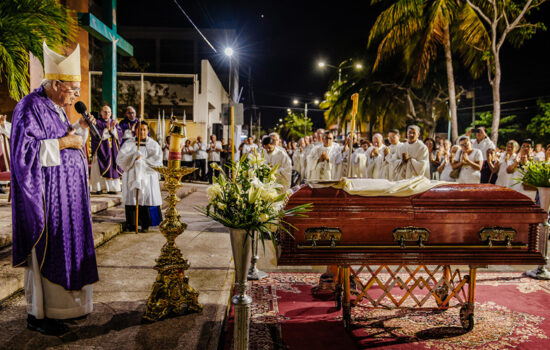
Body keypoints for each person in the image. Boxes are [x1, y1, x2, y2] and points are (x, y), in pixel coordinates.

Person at [11, 42, 97, 335]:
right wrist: (64, 143)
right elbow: (24, 153)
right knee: (47, 251)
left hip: (69, 198)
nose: (77, 94)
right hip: (46, 198)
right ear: (56, 83)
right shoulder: (29, 107)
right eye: (72, 87)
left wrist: (76, 136)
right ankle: (39, 316)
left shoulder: (59, 109)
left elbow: (66, 143)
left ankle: (67, 309)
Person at [117, 121, 163, 232]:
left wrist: (142, 161)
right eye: (139, 129)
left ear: (147, 131)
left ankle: (145, 224)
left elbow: (157, 160)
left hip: (147, 175)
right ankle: (132, 224)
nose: (141, 131)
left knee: (146, 198)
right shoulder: (129, 143)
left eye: (144, 129)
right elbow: (120, 159)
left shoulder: (153, 144)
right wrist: (134, 157)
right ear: (135, 130)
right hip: (132, 175)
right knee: (132, 198)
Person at [90, 105, 122, 194]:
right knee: (98, 167)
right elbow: (96, 135)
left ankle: (112, 188)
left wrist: (113, 129)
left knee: (113, 167)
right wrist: (108, 130)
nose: (107, 114)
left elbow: (119, 134)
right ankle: (98, 188)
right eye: (105, 112)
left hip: (112, 151)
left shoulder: (114, 122)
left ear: (111, 113)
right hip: (101, 150)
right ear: (101, 112)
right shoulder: (96, 123)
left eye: (108, 112)